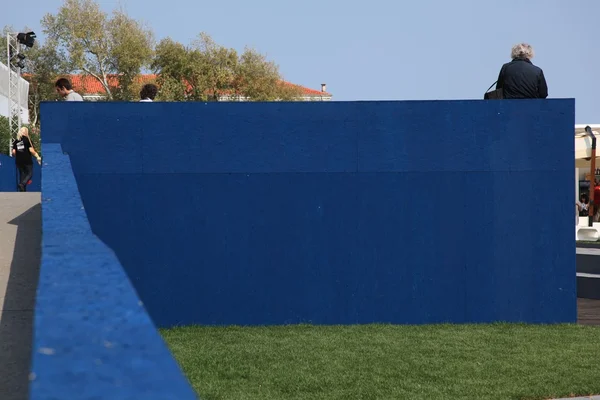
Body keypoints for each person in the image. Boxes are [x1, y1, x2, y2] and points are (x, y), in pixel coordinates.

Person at [12, 127, 41, 192]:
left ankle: (22, 190)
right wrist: (37, 156)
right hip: (27, 159)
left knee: (22, 174)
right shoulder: (27, 140)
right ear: (25, 132)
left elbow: (13, 152)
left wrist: (17, 154)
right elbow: (31, 150)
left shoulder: (16, 141)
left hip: (19, 160)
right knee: (29, 173)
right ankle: (22, 184)